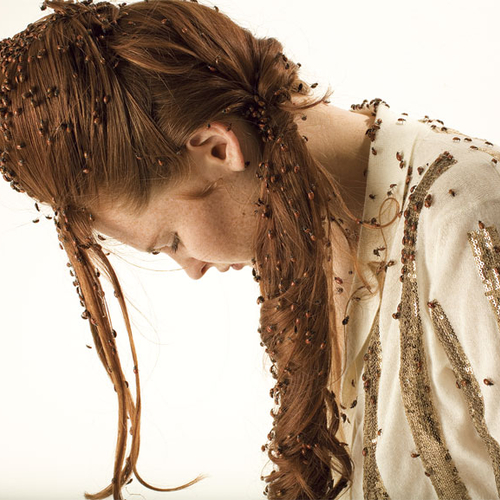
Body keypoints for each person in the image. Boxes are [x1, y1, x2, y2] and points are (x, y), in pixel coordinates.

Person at [0, 1, 499, 499]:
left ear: (220, 148)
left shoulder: (469, 218)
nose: (191, 269)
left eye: (172, 241)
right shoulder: (317, 235)